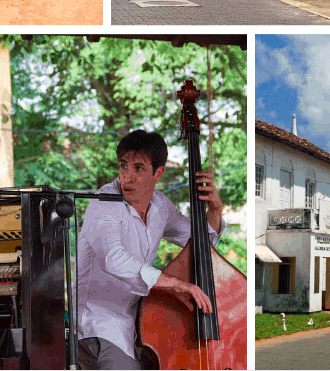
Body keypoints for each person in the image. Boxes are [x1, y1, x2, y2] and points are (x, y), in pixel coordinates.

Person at [76, 130, 224, 371]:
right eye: (123, 166)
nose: (127, 177)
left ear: (158, 173)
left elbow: (201, 245)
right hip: (98, 325)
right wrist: (179, 285)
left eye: (138, 168)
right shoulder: (103, 202)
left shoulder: (161, 206)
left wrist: (215, 211)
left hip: (139, 324)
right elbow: (113, 260)